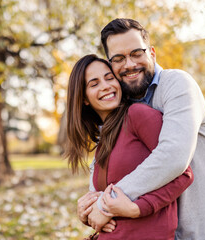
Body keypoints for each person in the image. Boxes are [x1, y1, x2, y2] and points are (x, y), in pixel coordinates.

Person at [78, 18, 205, 239]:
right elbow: (106, 165)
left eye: (136, 53)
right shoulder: (124, 107)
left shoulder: (177, 84)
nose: (129, 64)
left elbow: (173, 156)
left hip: (204, 232)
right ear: (111, 64)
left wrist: (106, 203)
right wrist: (90, 204)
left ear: (151, 53)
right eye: (119, 58)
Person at [65, 54, 194, 239]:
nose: (106, 86)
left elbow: (183, 173)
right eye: (94, 84)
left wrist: (137, 209)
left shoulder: (137, 115)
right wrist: (87, 212)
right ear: (84, 98)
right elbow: (109, 202)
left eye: (110, 78)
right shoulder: (103, 142)